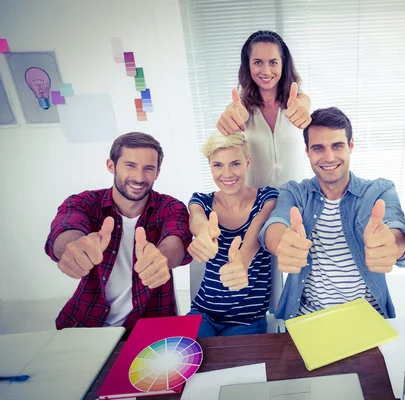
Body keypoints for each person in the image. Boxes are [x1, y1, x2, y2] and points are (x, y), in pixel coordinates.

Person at [259, 107, 405, 320]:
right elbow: (276, 225)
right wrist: (282, 244)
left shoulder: (380, 191)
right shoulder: (294, 192)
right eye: (318, 148)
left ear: (351, 146)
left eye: (337, 145)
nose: (329, 157)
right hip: (308, 317)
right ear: (307, 152)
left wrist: (391, 245)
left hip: (368, 316)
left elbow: (398, 234)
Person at [45, 132, 193, 330]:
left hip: (153, 321)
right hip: (87, 322)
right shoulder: (83, 202)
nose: (139, 177)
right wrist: (73, 247)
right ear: (111, 165)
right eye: (130, 165)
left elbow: (177, 238)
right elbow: (66, 228)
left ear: (157, 172)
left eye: (148, 168)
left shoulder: (170, 207)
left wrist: (162, 258)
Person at [187, 132, 278, 336]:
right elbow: (197, 219)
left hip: (248, 321)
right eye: (218, 165)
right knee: (182, 363)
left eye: (235, 164)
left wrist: (243, 260)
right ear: (210, 166)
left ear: (247, 162)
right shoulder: (201, 200)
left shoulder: (267, 196)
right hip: (203, 312)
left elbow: (258, 226)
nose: (227, 174)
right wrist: (203, 235)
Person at [216, 30, 312, 189]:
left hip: (296, 200)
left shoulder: (298, 103)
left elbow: (303, 104)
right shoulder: (241, 108)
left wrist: (302, 109)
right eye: (258, 62)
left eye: (273, 62)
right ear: (248, 66)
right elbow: (237, 112)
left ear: (283, 64)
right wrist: (232, 116)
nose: (266, 71)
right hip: (256, 203)